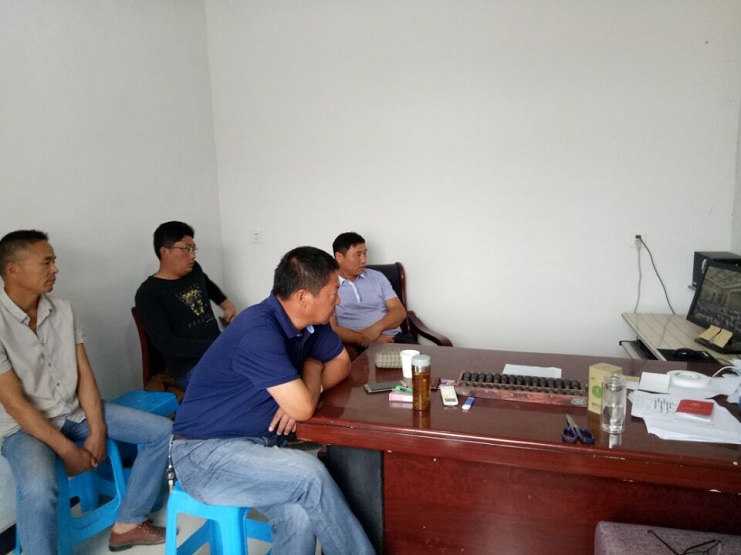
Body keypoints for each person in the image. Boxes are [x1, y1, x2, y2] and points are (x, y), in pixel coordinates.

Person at [171, 246, 374, 555]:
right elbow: (303, 408)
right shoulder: (258, 331)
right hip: (205, 455)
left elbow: (342, 362)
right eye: (334, 293)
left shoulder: (312, 323)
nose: (339, 300)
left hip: (258, 448)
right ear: (304, 297)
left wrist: (306, 388)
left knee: (299, 514)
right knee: (311, 475)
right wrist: (312, 368)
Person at [0, 230, 173, 553]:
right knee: (38, 488)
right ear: (13, 269)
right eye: (47, 262)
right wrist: (69, 451)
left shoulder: (63, 310)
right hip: (23, 428)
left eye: (54, 261)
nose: (56, 269)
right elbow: (16, 405)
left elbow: (85, 377)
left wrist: (97, 430)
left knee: (162, 432)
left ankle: (128, 524)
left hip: (74, 410)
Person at [135, 221, 236, 391]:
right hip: (191, 367)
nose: (193, 256)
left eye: (194, 249)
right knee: (245, 387)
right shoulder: (149, 293)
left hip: (219, 351)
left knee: (266, 366)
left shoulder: (193, 270)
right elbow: (167, 343)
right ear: (165, 252)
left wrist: (227, 305)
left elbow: (207, 284)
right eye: (186, 249)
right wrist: (217, 346)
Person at [330, 232, 410, 357]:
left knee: (424, 364)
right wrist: (368, 339)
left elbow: (399, 312)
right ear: (339, 257)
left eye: (365, 253)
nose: (364, 259)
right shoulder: (327, 284)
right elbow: (332, 329)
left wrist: (374, 331)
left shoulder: (377, 277)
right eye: (358, 255)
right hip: (353, 346)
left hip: (392, 339)